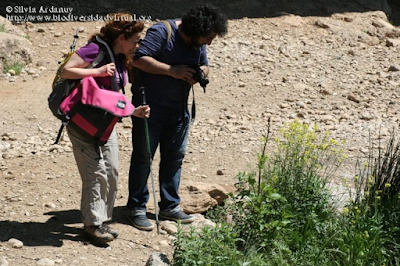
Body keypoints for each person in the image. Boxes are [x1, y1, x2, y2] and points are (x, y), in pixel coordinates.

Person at [126, 5, 228, 231]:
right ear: (194, 30)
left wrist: (200, 73)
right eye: (207, 38)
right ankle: (136, 208)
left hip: (179, 109)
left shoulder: (196, 42)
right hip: (150, 108)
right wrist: (172, 70)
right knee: (144, 157)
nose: (209, 43)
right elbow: (139, 59)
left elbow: (204, 64)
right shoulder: (162, 32)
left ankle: (169, 206)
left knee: (174, 158)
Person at [61, 13, 150, 244]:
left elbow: (111, 96)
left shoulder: (120, 55)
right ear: (122, 37)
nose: (137, 44)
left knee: (111, 171)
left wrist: (133, 111)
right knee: (95, 174)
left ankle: (101, 220)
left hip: (104, 123)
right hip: (83, 123)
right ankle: (92, 225)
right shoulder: (94, 50)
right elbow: (66, 71)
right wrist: (96, 71)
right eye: (135, 40)